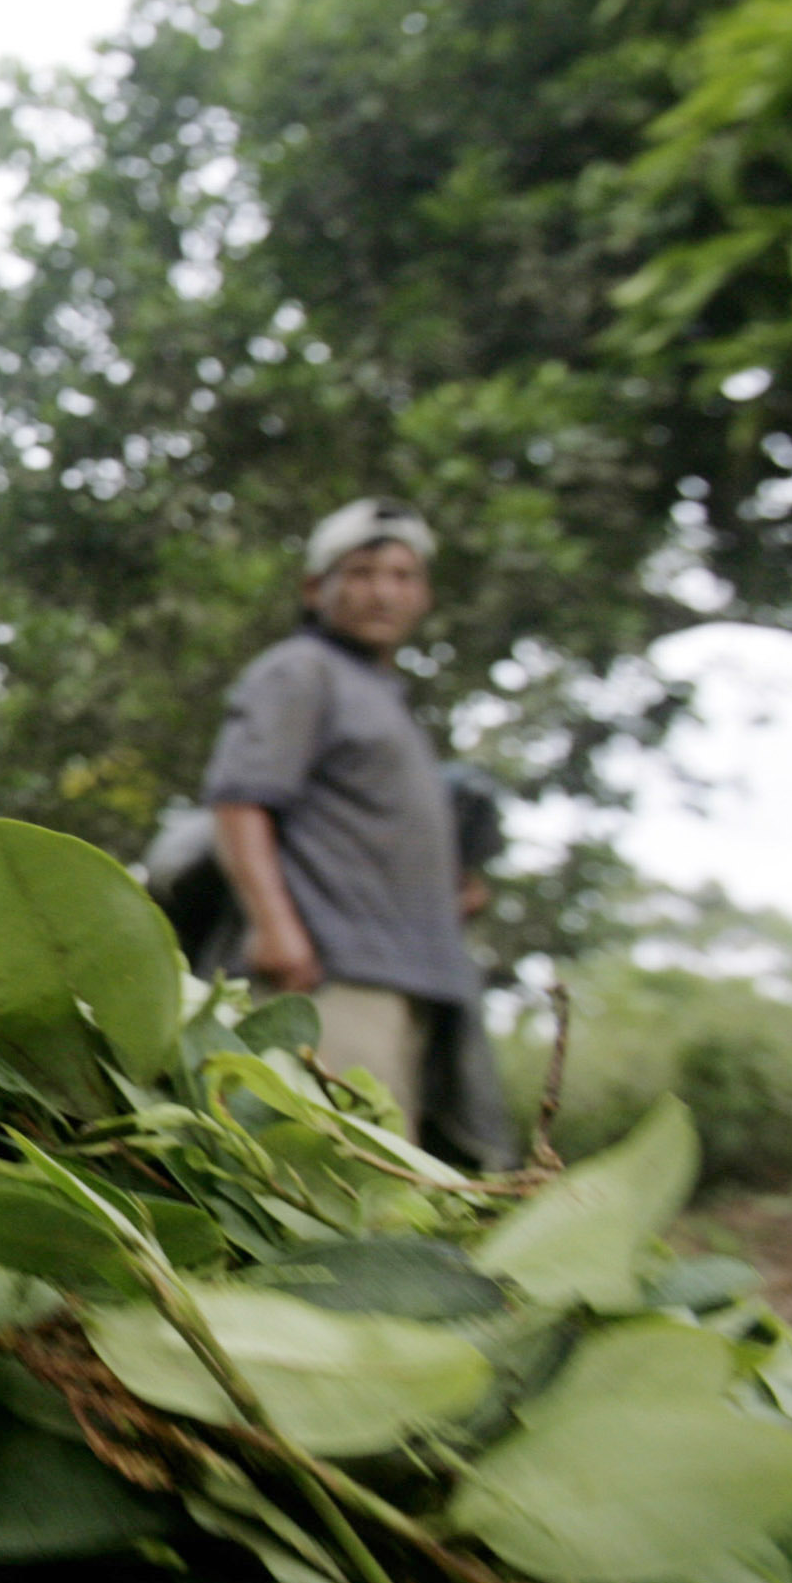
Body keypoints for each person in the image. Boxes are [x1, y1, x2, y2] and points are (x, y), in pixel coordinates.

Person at [201, 498, 515, 1167]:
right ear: (318, 588)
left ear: (424, 594)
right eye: (364, 572)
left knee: (395, 1181)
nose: (385, 590)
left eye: (404, 575)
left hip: (407, 979)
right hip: (329, 980)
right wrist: (274, 925)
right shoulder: (300, 670)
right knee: (332, 1178)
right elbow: (240, 801)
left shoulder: (383, 697)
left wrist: (448, 891)